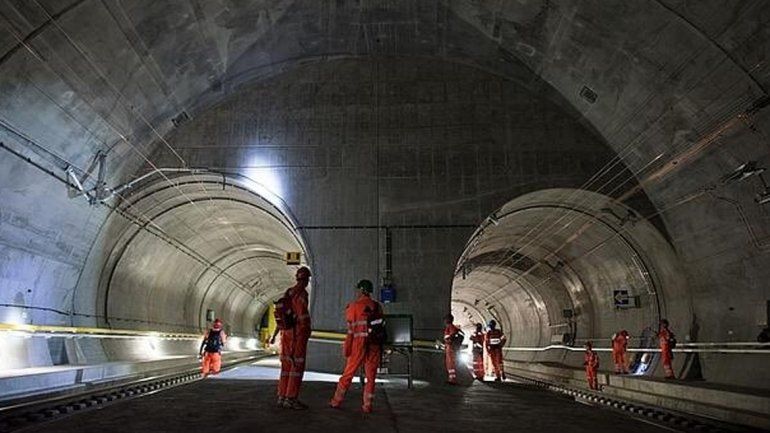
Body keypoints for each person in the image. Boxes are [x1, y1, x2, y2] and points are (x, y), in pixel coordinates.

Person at [329, 279, 385, 413]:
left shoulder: (352, 307)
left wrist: (347, 349)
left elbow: (350, 332)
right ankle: (367, 406)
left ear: (360, 290)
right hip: (374, 345)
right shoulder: (377, 306)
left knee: (348, 375)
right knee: (371, 377)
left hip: (358, 345)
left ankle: (336, 401)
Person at [276, 266, 313, 409]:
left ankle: (282, 396)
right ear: (306, 280)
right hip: (297, 335)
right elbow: (302, 315)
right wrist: (306, 331)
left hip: (286, 334)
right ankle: (291, 399)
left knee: (286, 366)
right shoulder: (301, 294)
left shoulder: (288, 292)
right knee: (296, 366)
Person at [443, 314, 464, 384]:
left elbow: (452, 335)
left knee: (450, 363)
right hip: (449, 347)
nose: (444, 321)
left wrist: (449, 339)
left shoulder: (451, 327)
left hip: (450, 347)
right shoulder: (450, 327)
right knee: (449, 363)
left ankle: (452, 379)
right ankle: (451, 378)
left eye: (445, 319)